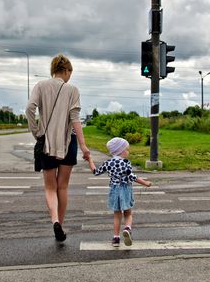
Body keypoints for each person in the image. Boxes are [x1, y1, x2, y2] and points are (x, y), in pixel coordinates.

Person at [26, 54, 90, 242]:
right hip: (68, 142)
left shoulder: (40, 86)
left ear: (53, 71)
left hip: (46, 142)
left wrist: (36, 131)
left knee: (49, 187)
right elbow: (75, 119)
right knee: (62, 187)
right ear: (67, 70)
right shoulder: (73, 89)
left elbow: (29, 107)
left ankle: (54, 220)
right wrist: (84, 146)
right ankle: (60, 225)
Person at [87, 137, 151, 247]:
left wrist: (90, 160)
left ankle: (116, 239)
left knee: (117, 215)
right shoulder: (126, 162)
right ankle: (127, 228)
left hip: (114, 190)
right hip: (125, 189)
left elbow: (96, 172)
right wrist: (145, 183)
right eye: (127, 149)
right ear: (121, 151)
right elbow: (132, 177)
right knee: (128, 213)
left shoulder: (108, 163)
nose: (128, 152)